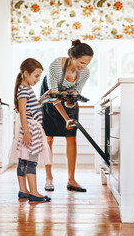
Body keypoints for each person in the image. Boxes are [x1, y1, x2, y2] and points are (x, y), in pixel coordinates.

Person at [40, 39, 94, 192]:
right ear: (72, 56)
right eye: (81, 62)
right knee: (49, 138)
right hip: (50, 98)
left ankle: (71, 180)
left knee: (71, 137)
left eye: (86, 64)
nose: (82, 67)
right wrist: (66, 118)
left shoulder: (85, 72)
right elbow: (54, 96)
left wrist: (71, 102)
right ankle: (49, 178)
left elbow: (75, 95)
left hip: (67, 99)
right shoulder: (56, 66)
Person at [9, 58, 52, 202]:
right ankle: (33, 192)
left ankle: (23, 191)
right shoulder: (24, 90)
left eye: (39, 76)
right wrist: (27, 133)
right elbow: (22, 112)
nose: (38, 79)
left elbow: (28, 109)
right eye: (36, 75)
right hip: (30, 129)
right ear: (26, 73)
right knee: (31, 161)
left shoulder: (25, 89)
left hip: (29, 127)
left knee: (24, 160)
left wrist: (41, 100)